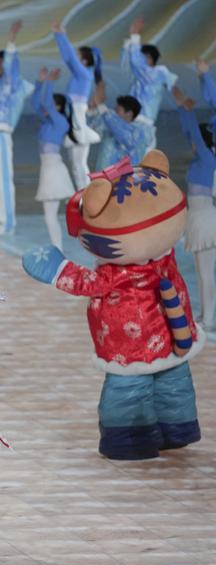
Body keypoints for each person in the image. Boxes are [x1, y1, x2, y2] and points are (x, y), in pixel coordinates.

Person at [0, 20, 33, 235]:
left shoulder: (11, 83)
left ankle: (7, 223)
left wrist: (11, 37)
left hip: (1, 133)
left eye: (0, 64)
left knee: (2, 179)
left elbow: (10, 64)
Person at [173, 89, 216, 331]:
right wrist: (182, 110)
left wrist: (186, 109)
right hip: (200, 216)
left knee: (205, 273)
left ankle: (208, 318)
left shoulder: (207, 157)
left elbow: (196, 137)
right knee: (204, 273)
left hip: (205, 219)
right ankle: (206, 316)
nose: (191, 143)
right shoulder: (202, 159)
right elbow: (191, 133)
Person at [52, 22, 101, 189]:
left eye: (80, 57)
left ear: (85, 61)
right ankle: (82, 194)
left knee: (79, 163)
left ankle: (86, 195)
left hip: (77, 117)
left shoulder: (84, 74)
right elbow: (70, 58)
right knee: (75, 163)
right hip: (73, 116)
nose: (77, 60)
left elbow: (69, 58)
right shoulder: (82, 75)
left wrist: (61, 35)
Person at [33, 68, 76, 248]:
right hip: (48, 168)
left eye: (50, 105)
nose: (44, 108)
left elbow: (45, 104)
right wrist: (40, 82)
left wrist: (49, 81)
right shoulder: (47, 122)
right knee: (49, 215)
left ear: (57, 107)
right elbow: (36, 103)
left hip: (54, 169)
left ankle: (58, 248)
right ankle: (57, 248)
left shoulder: (60, 122)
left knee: (50, 214)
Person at [121, 16, 177, 130]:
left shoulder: (158, 72)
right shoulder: (141, 77)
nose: (138, 58)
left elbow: (136, 63)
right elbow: (126, 66)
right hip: (134, 120)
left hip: (142, 122)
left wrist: (135, 35)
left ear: (149, 58)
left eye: (141, 56)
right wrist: (128, 47)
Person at [90, 92, 153, 169]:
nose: (114, 113)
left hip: (127, 177)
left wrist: (105, 113)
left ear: (129, 113)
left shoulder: (140, 130)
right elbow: (91, 131)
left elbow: (126, 139)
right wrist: (91, 110)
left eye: (118, 110)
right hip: (103, 174)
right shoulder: (110, 123)